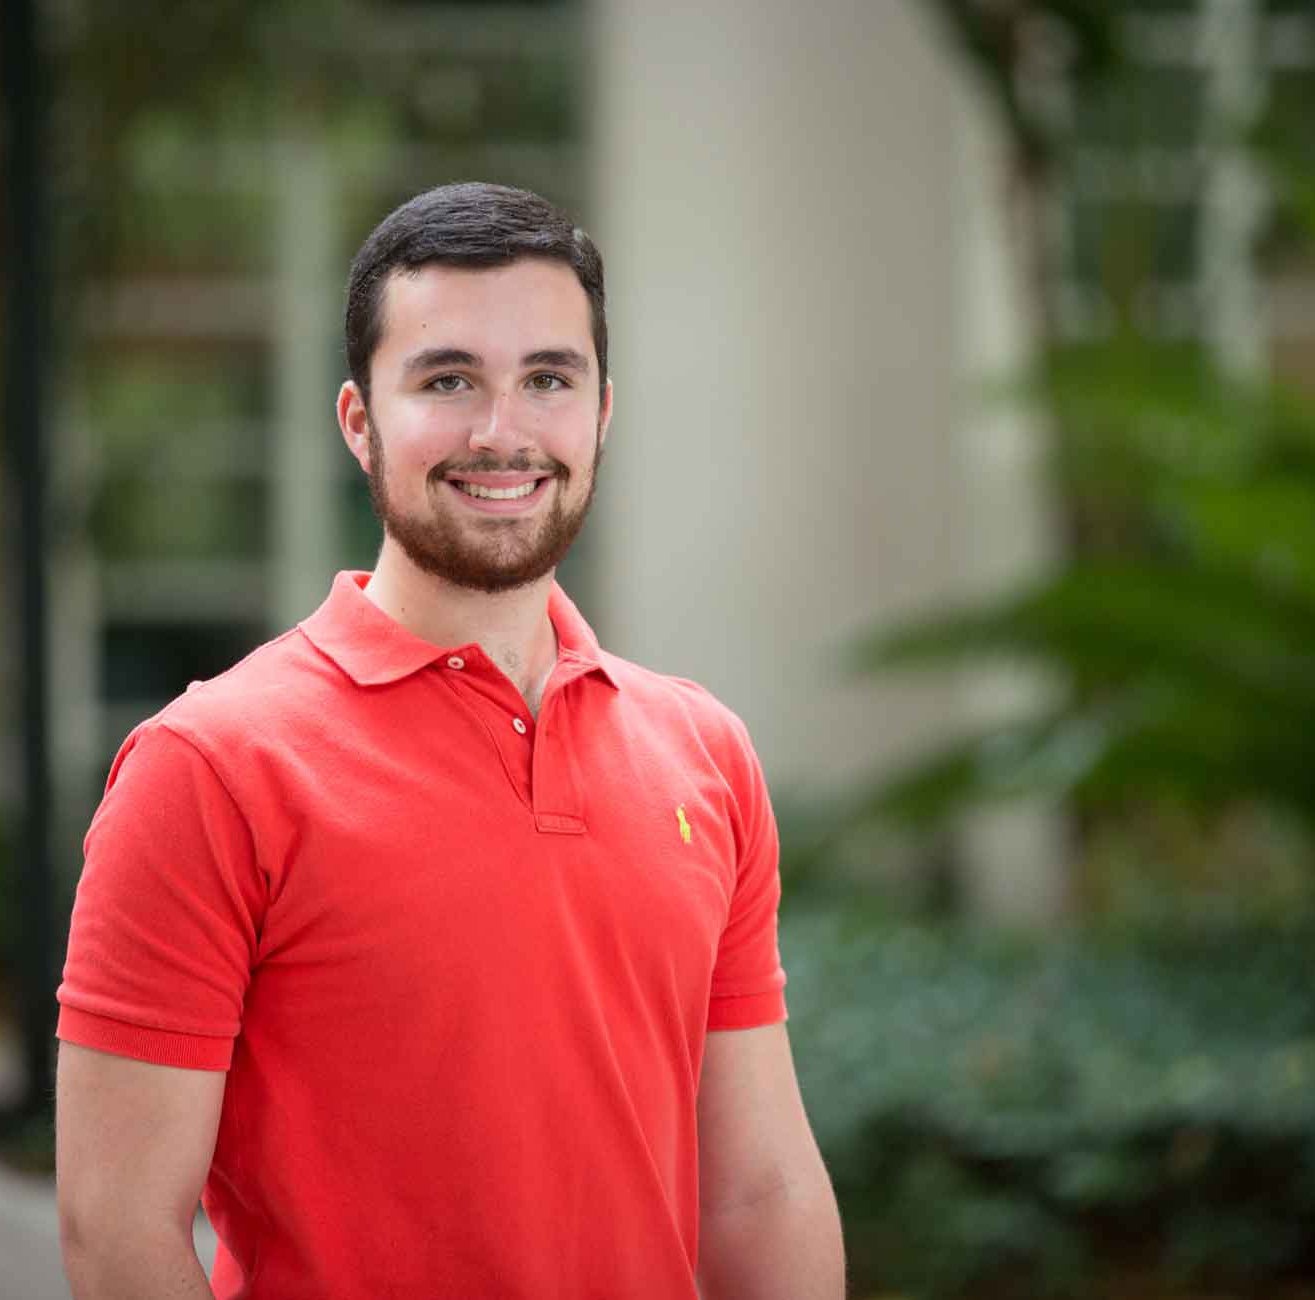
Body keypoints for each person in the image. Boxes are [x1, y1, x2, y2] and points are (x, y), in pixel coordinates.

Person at [53, 182, 845, 1299]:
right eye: (447, 379)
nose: (501, 430)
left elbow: (759, 1190)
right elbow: (116, 1227)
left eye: (547, 379)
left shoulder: (703, 755)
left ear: (602, 412)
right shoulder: (207, 767)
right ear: (358, 421)